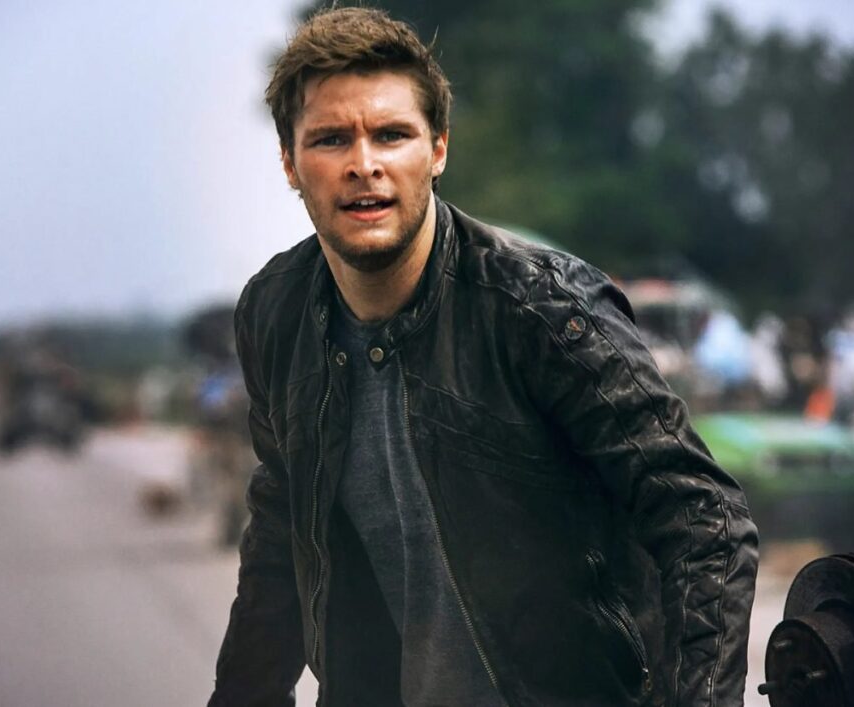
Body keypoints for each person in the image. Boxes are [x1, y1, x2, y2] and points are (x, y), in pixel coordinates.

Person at [209, 7, 758, 706]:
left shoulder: (542, 311)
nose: (364, 164)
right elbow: (282, 534)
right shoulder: (275, 314)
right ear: (290, 162)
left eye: (392, 134)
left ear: (438, 149)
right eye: (330, 139)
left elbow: (707, 520)